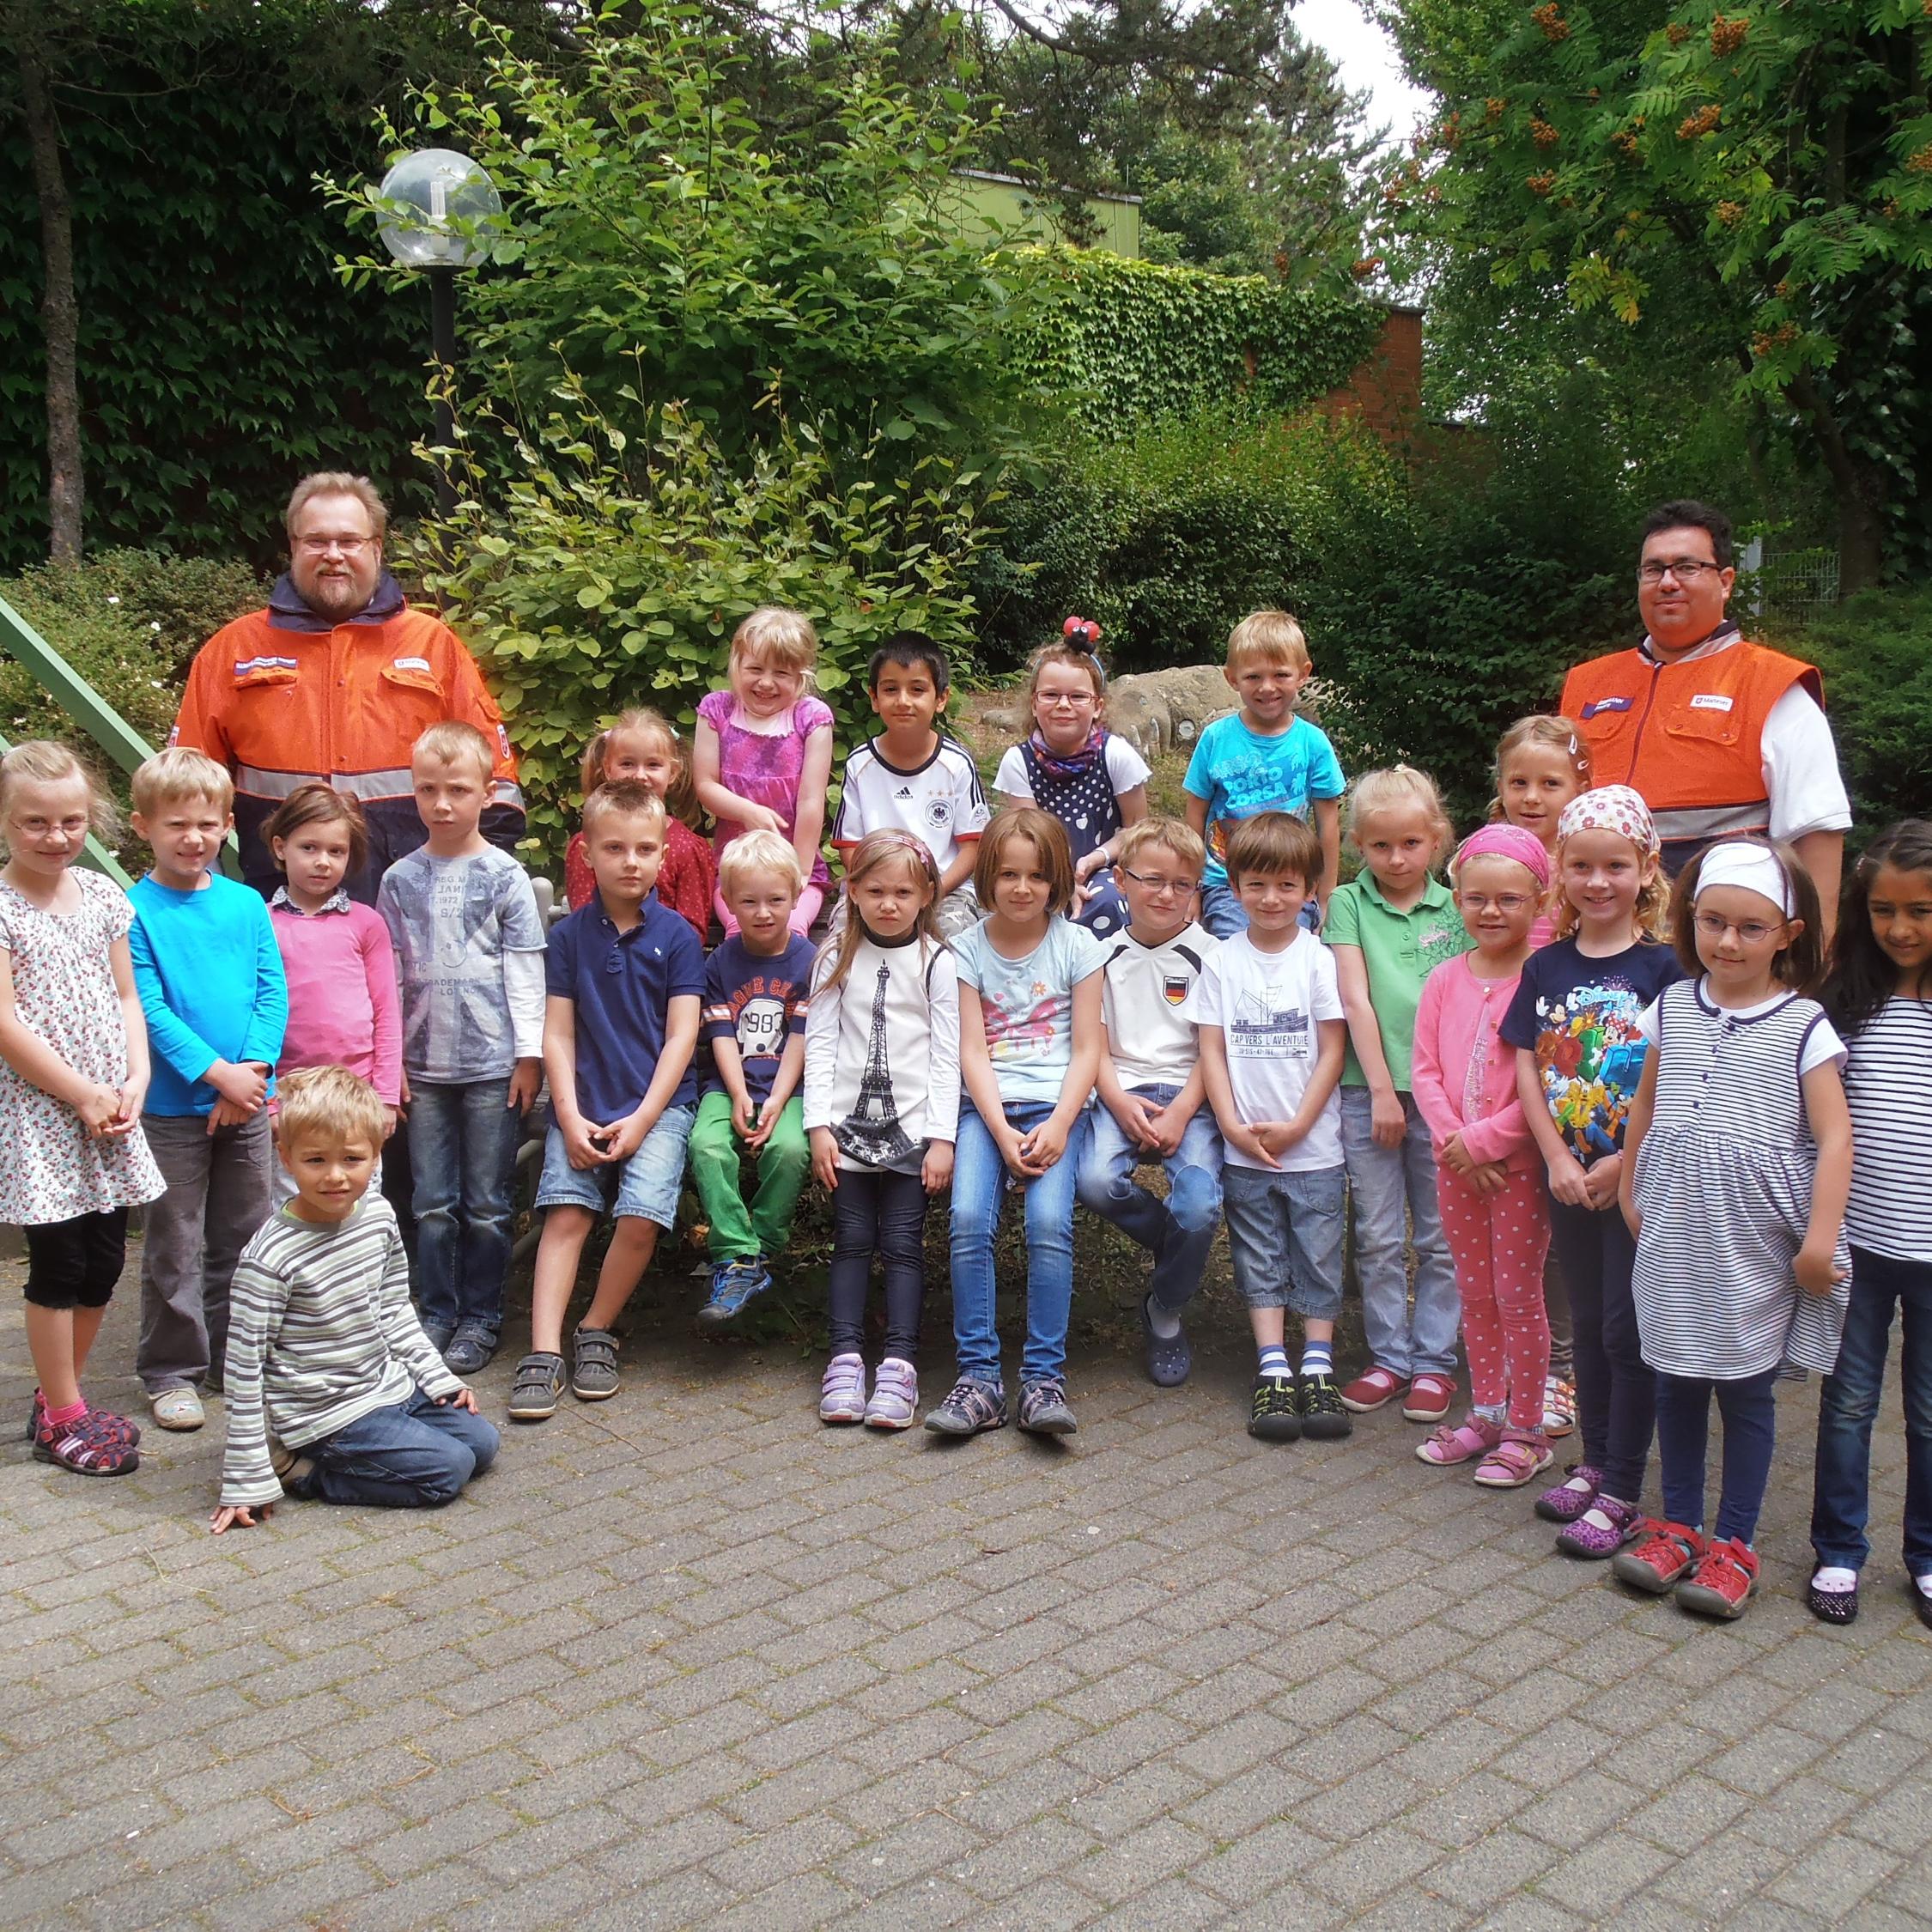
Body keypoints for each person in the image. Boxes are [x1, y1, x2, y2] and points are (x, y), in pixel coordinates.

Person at [1614, 841, 1850, 1619]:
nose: (1728, 942)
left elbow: (1834, 1137)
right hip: (1676, 1226)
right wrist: (1629, 1177)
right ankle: (1676, 1525)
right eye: (1713, 922)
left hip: (1751, 1242)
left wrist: (1820, 1239)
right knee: (1676, 1382)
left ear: (1787, 932)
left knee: (1745, 1394)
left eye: (1752, 928)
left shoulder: (1804, 1023)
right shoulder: (1675, 1005)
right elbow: (1644, 1104)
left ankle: (1735, 1545)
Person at [171, 471, 524, 899]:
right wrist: (198, 898)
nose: (333, 555)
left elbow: (496, 782)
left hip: (415, 901)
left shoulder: (433, 646)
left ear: (376, 548)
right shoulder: (233, 650)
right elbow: (185, 789)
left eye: (349, 541)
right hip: (278, 903)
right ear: (293, 548)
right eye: (316, 541)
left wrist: (475, 884)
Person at [1503, 786, 1682, 1558]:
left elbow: (1677, 1077)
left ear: (1646, 869)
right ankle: (1598, 1461)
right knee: (1589, 1324)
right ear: (1561, 875)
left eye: (1616, 865)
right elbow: (1524, 1065)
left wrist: (1624, 1162)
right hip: (1568, 1182)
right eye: (1582, 866)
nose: (1599, 881)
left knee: (1625, 1331)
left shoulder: (1668, 969)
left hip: (1632, 1184)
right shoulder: (1546, 966)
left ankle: (1624, 1489)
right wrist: (1551, 1156)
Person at [210, 1066, 498, 1529]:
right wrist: (246, 1475)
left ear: (376, 1156)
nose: (336, 1177)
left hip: (386, 1387)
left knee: (482, 1445)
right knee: (448, 1471)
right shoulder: (270, 1258)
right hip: (325, 1415)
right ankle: (304, 1472)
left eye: (351, 1159)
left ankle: (389, 1438)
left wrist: (438, 1378)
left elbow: (394, 1310)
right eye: (316, 1160)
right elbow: (243, 1369)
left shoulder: (378, 1216)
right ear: (285, 1158)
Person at [509, 782, 702, 1422]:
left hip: (660, 1107)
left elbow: (682, 1037)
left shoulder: (678, 937)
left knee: (641, 1216)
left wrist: (645, 1118)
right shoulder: (568, 939)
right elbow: (557, 1033)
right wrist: (566, 1115)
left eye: (645, 849)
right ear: (586, 853)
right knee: (565, 1214)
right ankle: (542, 1352)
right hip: (584, 1105)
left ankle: (595, 1329)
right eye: (614, 847)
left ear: (664, 855)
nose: (630, 861)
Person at [1560, 499, 1849, 920]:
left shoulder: (1772, 684)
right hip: (1592, 936)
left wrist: (1812, 958)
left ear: (1726, 581)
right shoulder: (1586, 683)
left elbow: (1815, 831)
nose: (1668, 582)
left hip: (1716, 940)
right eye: (1653, 569)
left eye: (1687, 567)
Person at [0, 743, 164, 1475]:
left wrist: (136, 1078)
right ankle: (64, 1417)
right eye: (35, 822)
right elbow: (5, 1025)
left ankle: (55, 1397)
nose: (56, 836)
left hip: (112, 1109)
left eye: (70, 820)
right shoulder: (3, 910)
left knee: (103, 1261)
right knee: (59, 1264)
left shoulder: (102, 896)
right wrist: (82, 1092)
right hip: (46, 1115)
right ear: (6, 823)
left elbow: (128, 997)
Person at [927, 808, 1105, 1439]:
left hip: (1057, 1110)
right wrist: (1001, 1133)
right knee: (971, 1219)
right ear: (987, 879)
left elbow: (1088, 1049)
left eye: (1035, 876)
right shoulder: (966, 950)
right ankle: (979, 1381)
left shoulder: (1078, 946)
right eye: (1007, 875)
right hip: (988, 1111)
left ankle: (1042, 1379)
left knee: (1049, 1222)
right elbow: (971, 1050)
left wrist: (1059, 1124)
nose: (1022, 889)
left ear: (1056, 879)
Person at [127, 750, 288, 1433]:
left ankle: (236, 1357)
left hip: (248, 1104)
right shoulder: (132, 910)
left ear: (228, 823)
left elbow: (271, 989)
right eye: (176, 825)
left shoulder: (247, 903)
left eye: (206, 824)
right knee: (175, 1240)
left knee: (247, 1237)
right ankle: (172, 1370)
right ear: (144, 827)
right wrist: (214, 1073)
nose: (193, 838)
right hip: (171, 1109)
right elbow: (147, 1006)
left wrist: (249, 1072)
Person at [378, 723, 545, 1376]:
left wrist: (526, 1055)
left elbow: (527, 970)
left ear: (486, 793)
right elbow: (388, 975)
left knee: (487, 1202)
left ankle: (482, 1316)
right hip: (421, 1065)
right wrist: (389, 1056)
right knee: (430, 1201)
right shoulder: (398, 880)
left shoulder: (504, 876)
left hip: (491, 1067)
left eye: (458, 790)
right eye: (428, 790)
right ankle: (434, 1311)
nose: (442, 804)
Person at [1188, 811, 1352, 1445]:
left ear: (1310, 890)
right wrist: (1230, 1124)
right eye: (1256, 884)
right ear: (1233, 888)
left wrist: (1299, 1124)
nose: (1272, 898)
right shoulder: (1222, 961)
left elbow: (1334, 1050)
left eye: (1287, 885)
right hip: (1245, 1148)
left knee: (1316, 1252)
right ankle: (1272, 1368)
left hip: (1312, 1148)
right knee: (1259, 1253)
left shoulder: (1317, 960)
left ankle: (1317, 1364)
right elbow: (1212, 1050)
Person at [1809, 823, 1932, 1629]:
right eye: (1884, 909)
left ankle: (1925, 1554)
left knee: (1928, 1408)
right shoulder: (1847, 1002)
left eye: (1920, 911)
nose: (1900, 929)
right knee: (1849, 1402)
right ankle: (1840, 1552)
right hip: (1858, 1246)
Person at [1411, 826, 1553, 1489]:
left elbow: (1548, 1086)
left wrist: (1488, 1143)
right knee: (1474, 1293)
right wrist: (1455, 1143)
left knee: (1517, 1296)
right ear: (1457, 900)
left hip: (1518, 1171)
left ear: (1539, 899)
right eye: (1476, 899)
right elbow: (1425, 1072)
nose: (1491, 912)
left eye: (1508, 899)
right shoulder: (1444, 979)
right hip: (1455, 1168)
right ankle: (1489, 1411)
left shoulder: (1545, 979)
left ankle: (1528, 1428)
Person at [1326, 767, 1467, 1424]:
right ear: (1358, 844)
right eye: (1380, 847)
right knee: (1379, 1236)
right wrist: (1383, 1090)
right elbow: (1355, 998)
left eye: (1411, 844)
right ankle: (1389, 1357)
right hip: (1370, 1092)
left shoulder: (1460, 906)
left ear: (1436, 841)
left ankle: (1435, 1363)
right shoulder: (1349, 904)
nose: (1396, 858)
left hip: (1446, 1099)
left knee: (1441, 1238)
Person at [805, 830, 960, 1430]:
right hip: (845, 1128)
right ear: (853, 890)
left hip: (912, 1133)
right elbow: (819, 1044)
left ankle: (899, 1362)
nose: (888, 903)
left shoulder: (939, 963)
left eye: (902, 891)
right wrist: (817, 1123)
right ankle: (844, 1356)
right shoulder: (833, 957)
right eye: (875, 891)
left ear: (926, 895)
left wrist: (941, 1137)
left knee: (901, 1247)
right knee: (850, 1241)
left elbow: (947, 1054)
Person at [1075, 817, 1221, 1387]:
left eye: (1182, 884)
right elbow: (1096, 1045)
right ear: (1121, 879)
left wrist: (1184, 1108)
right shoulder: (1099, 955)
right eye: (1152, 880)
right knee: (1093, 1182)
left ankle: (1164, 1310)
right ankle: (1178, 1247)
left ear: (1196, 890)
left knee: (1201, 1206)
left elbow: (1216, 1051)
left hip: (1193, 1094)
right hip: (1121, 1092)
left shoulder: (1213, 955)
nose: (1166, 894)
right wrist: (1118, 1101)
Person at [1490, 714, 1594, 1442]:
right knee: (1520, 1228)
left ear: (1578, 785)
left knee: (1562, 1232)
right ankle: (1522, 1358)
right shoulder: (1492, 862)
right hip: (1496, 1072)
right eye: (1518, 781)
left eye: (1550, 782)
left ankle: (1566, 1367)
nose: (1532, 795)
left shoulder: (1589, 871)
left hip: (1569, 1080)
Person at [690, 832, 816, 1324]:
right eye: (749, 902)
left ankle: (759, 1250)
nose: (763, 912)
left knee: (789, 1149)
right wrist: (740, 1094)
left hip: (793, 1087)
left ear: (797, 896)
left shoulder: (810, 961)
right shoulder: (721, 961)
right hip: (729, 1084)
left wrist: (777, 1101)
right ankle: (735, 1251)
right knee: (706, 1145)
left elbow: (803, 1040)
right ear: (729, 903)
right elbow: (721, 1033)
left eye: (776, 900)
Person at [263, 784, 401, 1200]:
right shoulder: (261, 922)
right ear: (281, 847)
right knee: (291, 1206)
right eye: (309, 848)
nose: (322, 862)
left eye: (336, 851)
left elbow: (387, 1012)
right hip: (292, 1096)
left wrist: (387, 1097)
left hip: (357, 1095)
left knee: (357, 1203)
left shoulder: (365, 923)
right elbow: (252, 1015)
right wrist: (269, 1101)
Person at [1182, 610, 1345, 940]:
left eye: (1281, 675)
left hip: (1292, 881)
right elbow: (1194, 817)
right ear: (1232, 678)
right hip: (1228, 883)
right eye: (1254, 677)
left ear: (1303, 674)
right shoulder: (1216, 738)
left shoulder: (1312, 743)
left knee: (1291, 958)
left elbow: (1328, 825)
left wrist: (1327, 896)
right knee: (1234, 953)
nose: (1267, 687)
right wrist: (1191, 887)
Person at [993, 621, 1151, 939]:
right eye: (1051, 695)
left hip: (1106, 867)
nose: (1063, 705)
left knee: (1107, 900)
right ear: (1034, 704)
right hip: (1039, 870)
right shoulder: (1019, 761)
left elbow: (1137, 831)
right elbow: (1027, 838)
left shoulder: (1115, 755)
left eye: (1078, 696)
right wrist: (1062, 882)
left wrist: (1096, 859)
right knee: (1028, 903)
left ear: (1097, 707)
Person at [832, 634, 989, 940]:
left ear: (941, 698)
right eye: (891, 689)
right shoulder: (860, 764)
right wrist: (879, 888)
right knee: (841, 935)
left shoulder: (956, 764)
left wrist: (932, 890)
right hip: (874, 888)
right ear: (874, 698)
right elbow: (851, 846)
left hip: (944, 888)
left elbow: (973, 848)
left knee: (953, 937)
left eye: (917, 690)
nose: (903, 701)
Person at [692, 607, 835, 937]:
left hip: (796, 869)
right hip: (735, 872)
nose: (766, 683)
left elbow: (811, 802)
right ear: (736, 665)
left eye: (782, 674)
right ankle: (738, 989)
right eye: (755, 669)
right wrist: (747, 811)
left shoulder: (811, 718)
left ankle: (796, 990)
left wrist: (799, 873)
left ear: (801, 676)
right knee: (739, 930)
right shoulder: (718, 711)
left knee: (792, 929)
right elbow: (705, 784)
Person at [564, 708, 713, 940]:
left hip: (664, 967)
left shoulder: (687, 848)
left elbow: (692, 931)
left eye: (653, 765)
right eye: (627, 764)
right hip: (600, 963)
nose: (640, 775)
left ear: (672, 772)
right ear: (608, 768)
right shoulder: (589, 843)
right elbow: (584, 921)